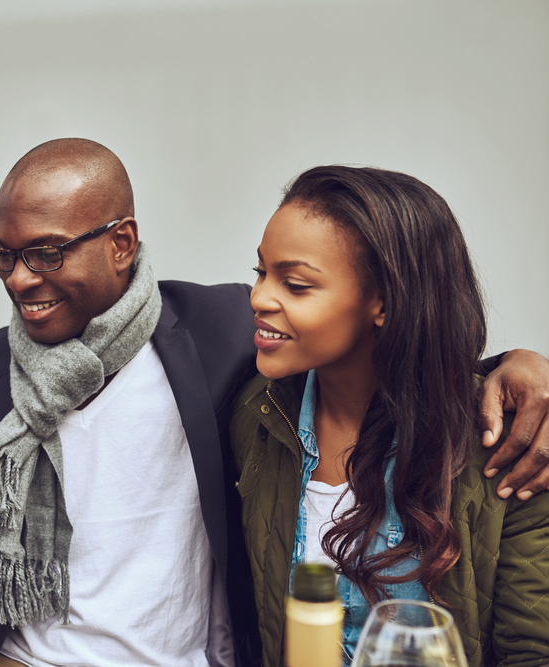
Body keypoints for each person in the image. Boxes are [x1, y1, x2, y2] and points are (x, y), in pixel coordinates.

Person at [0, 139, 549, 667]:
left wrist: (516, 370)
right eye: (4, 254)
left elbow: (410, 363)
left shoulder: (225, 341)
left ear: (122, 242)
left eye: (45, 252)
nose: (18, 277)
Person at [229, 165, 549, 665]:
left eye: (295, 284)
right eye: (260, 272)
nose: (258, 297)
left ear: (383, 301)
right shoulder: (259, 416)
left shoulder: (509, 442)